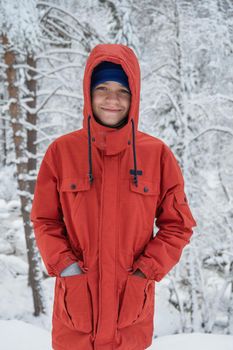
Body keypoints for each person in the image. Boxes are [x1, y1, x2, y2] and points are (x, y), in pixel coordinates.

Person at [30, 43, 197, 350]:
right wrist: (67, 268)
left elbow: (179, 226)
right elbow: (44, 220)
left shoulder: (156, 155)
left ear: (134, 97)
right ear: (88, 93)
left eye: (122, 90)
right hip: (76, 313)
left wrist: (144, 271)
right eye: (102, 88)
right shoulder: (62, 152)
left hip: (129, 315)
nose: (111, 99)